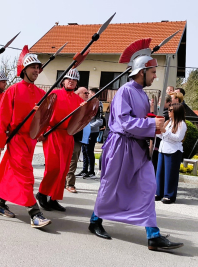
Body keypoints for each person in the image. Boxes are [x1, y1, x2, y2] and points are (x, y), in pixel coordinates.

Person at [89, 43, 183, 251]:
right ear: (141, 72)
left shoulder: (142, 93)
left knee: (148, 187)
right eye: (152, 72)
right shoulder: (124, 92)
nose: (155, 77)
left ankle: (153, 235)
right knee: (111, 186)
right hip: (120, 146)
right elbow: (124, 122)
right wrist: (151, 125)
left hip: (137, 149)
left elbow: (138, 119)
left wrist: (153, 123)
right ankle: (95, 221)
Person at [0, 47, 51, 228]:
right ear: (24, 69)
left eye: (38, 68)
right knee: (26, 175)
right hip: (16, 138)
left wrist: (40, 132)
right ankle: (34, 212)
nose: (36, 71)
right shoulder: (13, 91)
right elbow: (2, 118)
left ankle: (0, 204)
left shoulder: (41, 94)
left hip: (30, 140)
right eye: (33, 67)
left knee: (11, 172)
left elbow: (44, 119)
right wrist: (0, 140)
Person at [36, 69, 83, 210]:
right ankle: (42, 193)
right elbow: (43, 113)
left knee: (63, 170)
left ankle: (54, 198)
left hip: (68, 136)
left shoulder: (79, 101)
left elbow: (82, 120)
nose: (71, 81)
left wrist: (85, 109)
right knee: (53, 167)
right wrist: (41, 131)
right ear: (63, 80)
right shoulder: (54, 94)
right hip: (52, 133)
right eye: (69, 79)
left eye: (74, 80)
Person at [155, 103, 186, 204]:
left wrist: (165, 131)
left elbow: (178, 138)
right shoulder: (168, 122)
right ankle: (159, 193)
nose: (168, 112)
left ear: (176, 111)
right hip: (163, 149)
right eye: (168, 110)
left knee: (170, 174)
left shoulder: (181, 124)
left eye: (171, 110)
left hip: (173, 151)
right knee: (160, 173)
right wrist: (158, 131)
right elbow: (163, 136)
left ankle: (169, 195)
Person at [66, 87, 89, 193]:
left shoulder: (85, 105)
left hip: (79, 137)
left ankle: (68, 183)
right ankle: (68, 183)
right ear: (78, 94)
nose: (87, 94)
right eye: (85, 93)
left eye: (88, 93)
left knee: (73, 161)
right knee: (70, 161)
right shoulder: (73, 104)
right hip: (71, 135)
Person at [81, 88, 103, 178]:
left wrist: (88, 126)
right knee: (84, 150)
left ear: (93, 94)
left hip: (92, 131)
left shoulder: (98, 104)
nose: (87, 94)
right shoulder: (88, 103)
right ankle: (84, 169)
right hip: (84, 131)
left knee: (89, 151)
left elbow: (100, 120)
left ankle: (91, 171)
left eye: (88, 93)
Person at [152, 94, 172, 172]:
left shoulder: (166, 114)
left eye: (161, 101)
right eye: (159, 101)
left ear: (168, 103)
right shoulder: (161, 111)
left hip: (160, 141)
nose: (159, 103)